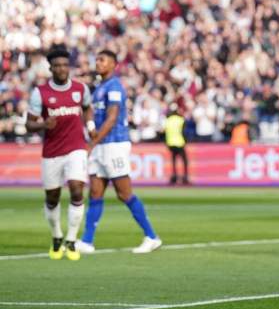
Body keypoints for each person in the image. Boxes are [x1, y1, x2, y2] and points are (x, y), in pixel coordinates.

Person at [75, 50, 162, 254]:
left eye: (103, 60)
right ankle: (87, 241)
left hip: (114, 144)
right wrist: (90, 127)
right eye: (97, 59)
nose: (98, 63)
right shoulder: (98, 88)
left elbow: (112, 118)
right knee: (95, 192)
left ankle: (151, 236)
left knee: (124, 194)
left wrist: (91, 144)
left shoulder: (114, 86)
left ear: (114, 64)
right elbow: (90, 113)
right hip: (100, 144)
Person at [25, 46, 92, 260]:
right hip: (52, 152)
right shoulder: (40, 93)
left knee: (76, 190)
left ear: (69, 67)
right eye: (57, 66)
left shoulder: (81, 89)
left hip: (77, 148)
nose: (62, 69)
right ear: (51, 68)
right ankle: (56, 236)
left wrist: (89, 126)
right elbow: (29, 124)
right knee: (52, 198)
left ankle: (71, 241)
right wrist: (44, 124)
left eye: (65, 65)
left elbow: (87, 107)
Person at [164, 103, 189, 185]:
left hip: (170, 143)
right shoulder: (180, 119)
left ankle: (174, 177)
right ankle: (185, 177)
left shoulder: (167, 120)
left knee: (174, 160)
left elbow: (165, 132)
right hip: (179, 142)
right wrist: (186, 141)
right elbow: (184, 132)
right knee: (184, 160)